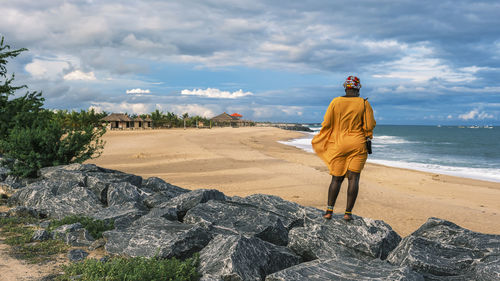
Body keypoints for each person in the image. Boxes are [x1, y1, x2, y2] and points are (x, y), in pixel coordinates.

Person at [312, 76, 376, 221]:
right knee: (354, 178)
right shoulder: (364, 103)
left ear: (345, 87)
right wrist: (368, 136)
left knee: (336, 178)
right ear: (358, 88)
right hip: (358, 143)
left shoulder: (335, 102)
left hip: (339, 144)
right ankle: (348, 214)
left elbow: (327, 122)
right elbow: (369, 125)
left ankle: (329, 211)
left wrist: (326, 137)